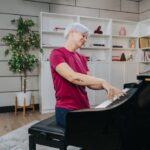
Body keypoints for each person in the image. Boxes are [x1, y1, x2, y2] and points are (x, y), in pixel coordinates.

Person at [49, 22, 124, 128]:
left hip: (84, 107)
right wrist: (102, 81)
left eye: (86, 37)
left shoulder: (81, 58)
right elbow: (72, 77)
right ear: (71, 33)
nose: (85, 39)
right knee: (97, 132)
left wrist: (108, 87)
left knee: (108, 125)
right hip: (66, 110)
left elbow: (90, 83)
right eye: (83, 36)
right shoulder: (57, 54)